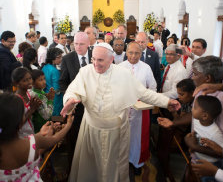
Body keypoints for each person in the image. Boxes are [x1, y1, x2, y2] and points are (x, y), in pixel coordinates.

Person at [60, 43, 180, 182]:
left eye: (100, 60)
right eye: (93, 59)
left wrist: (166, 101)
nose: (95, 64)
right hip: (91, 130)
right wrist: (69, 100)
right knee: (91, 166)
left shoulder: (123, 74)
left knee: (114, 167)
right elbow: (72, 90)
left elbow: (144, 93)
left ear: (111, 60)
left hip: (116, 132)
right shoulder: (85, 71)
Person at [0, 92, 74, 182]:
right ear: (20, 121)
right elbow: (55, 139)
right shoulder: (33, 141)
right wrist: (69, 124)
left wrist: (42, 133)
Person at [119, 42, 157, 175]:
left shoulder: (146, 68)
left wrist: (144, 100)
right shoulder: (119, 67)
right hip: (123, 109)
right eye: (130, 52)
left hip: (140, 111)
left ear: (141, 54)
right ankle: (124, 162)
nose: (133, 56)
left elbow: (152, 87)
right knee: (122, 137)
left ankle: (137, 162)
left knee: (137, 138)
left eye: (137, 53)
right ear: (126, 52)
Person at [59, 32, 92, 168]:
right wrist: (70, 98)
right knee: (77, 137)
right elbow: (63, 82)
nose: (77, 47)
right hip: (76, 107)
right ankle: (76, 165)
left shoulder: (96, 55)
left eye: (81, 44)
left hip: (94, 106)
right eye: (75, 44)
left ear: (88, 44)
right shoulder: (67, 58)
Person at [186, 95, 223, 163]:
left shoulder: (215, 133)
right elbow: (195, 134)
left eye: (195, 107)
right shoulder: (196, 120)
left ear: (205, 116)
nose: (192, 108)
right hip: (198, 157)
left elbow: (221, 154)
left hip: (211, 164)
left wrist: (194, 147)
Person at [11, 67, 42, 138]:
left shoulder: (28, 94)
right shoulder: (16, 100)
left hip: (30, 132)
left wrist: (37, 106)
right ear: (16, 83)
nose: (30, 82)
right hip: (22, 136)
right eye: (25, 80)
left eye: (30, 78)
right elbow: (19, 124)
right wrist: (32, 109)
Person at [42, 48, 63, 116]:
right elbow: (57, 89)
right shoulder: (55, 71)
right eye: (59, 57)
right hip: (56, 99)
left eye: (61, 56)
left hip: (46, 97)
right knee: (58, 121)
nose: (61, 59)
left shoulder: (44, 67)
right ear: (52, 58)